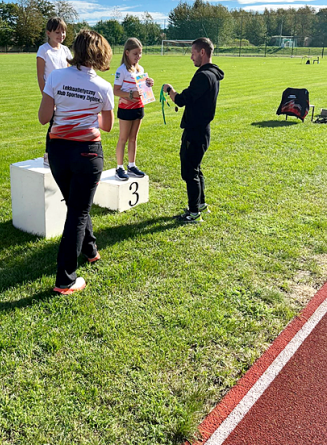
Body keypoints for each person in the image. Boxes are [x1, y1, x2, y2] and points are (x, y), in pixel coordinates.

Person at [38, 30, 114, 294]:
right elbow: (107, 126)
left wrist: (66, 107)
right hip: (87, 153)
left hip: (58, 150)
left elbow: (43, 117)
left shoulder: (56, 76)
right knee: (78, 211)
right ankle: (65, 279)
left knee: (76, 204)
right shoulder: (103, 86)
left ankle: (90, 250)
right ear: (101, 53)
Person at [163, 37, 224, 223]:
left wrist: (170, 91)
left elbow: (183, 99)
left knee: (189, 171)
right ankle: (200, 204)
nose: (191, 57)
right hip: (202, 129)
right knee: (195, 169)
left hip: (196, 131)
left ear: (202, 53)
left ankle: (193, 213)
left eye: (193, 53)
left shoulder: (203, 75)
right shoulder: (212, 74)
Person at [113, 38, 154, 181]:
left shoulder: (140, 69)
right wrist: (131, 94)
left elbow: (142, 88)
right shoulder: (121, 70)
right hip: (125, 107)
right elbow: (116, 91)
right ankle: (119, 167)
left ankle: (131, 165)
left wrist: (149, 84)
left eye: (140, 54)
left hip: (138, 106)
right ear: (127, 53)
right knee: (123, 138)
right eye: (135, 54)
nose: (138, 57)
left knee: (133, 138)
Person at [36, 17, 71, 166]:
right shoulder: (43, 50)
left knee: (65, 124)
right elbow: (40, 76)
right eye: (57, 32)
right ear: (48, 33)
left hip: (65, 94)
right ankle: (48, 154)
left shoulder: (66, 50)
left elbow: (71, 71)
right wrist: (46, 98)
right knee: (53, 125)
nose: (61, 35)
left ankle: (64, 154)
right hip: (51, 94)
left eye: (63, 32)